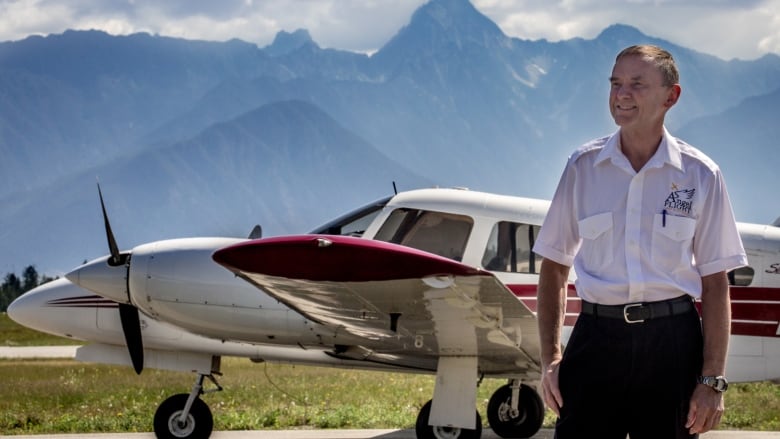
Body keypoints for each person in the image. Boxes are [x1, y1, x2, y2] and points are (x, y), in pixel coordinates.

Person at [533, 45, 748, 438]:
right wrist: (550, 358)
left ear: (671, 96)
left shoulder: (701, 174)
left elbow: (716, 282)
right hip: (596, 342)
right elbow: (554, 265)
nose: (621, 94)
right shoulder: (582, 167)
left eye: (636, 84)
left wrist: (712, 379)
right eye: (615, 84)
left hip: (673, 344)